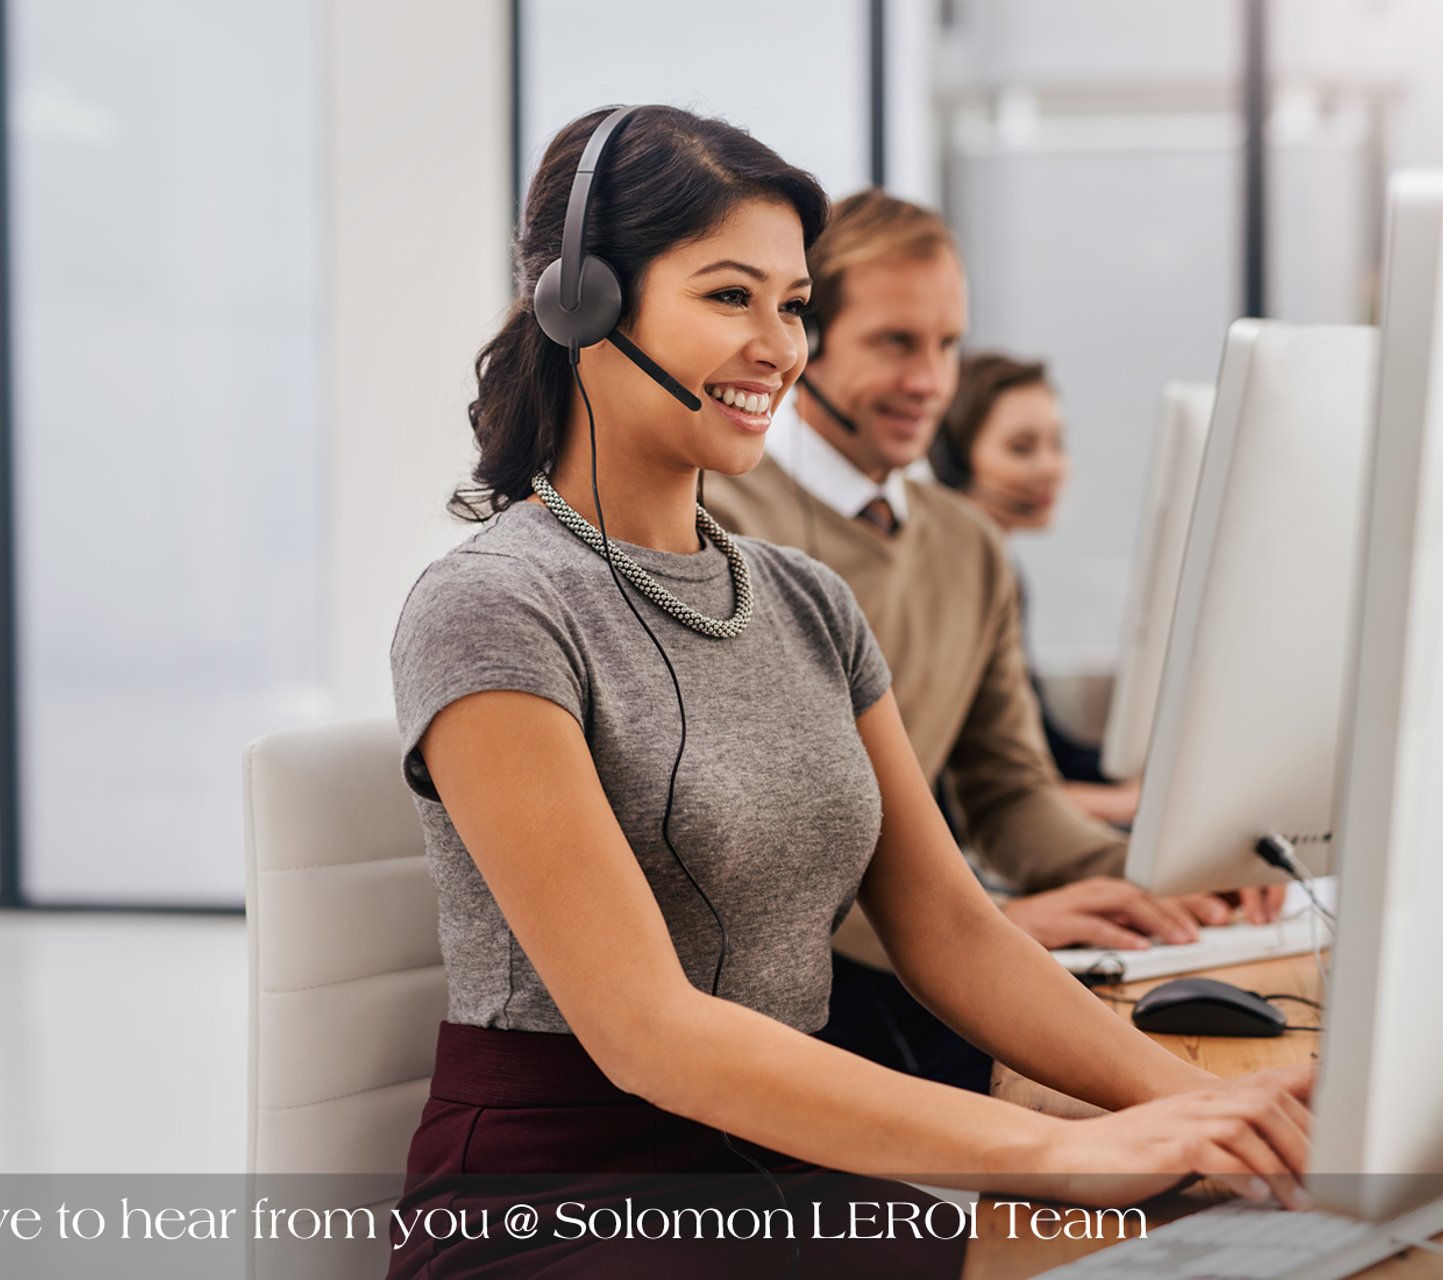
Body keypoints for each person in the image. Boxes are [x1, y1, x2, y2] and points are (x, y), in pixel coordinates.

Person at [387, 106, 1311, 1280]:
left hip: (776, 1157)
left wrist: (1203, 1105)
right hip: (562, 1197)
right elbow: (645, 1029)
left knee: (1217, 1228)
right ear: (585, 303)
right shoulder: (497, 606)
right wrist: (1051, 1148)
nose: (780, 345)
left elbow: (951, 926)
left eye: (795, 304)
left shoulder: (807, 599)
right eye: (731, 296)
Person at [705, 192, 1281, 1090]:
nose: (930, 382)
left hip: (927, 958)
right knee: (1146, 1126)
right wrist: (992, 927)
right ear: (807, 337)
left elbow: (1011, 797)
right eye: (896, 342)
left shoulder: (964, 543)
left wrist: (1162, 880)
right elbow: (751, 848)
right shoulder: (717, 520)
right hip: (797, 1002)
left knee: (1218, 1101)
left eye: (946, 345)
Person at [929, 350, 1140, 828]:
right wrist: (1126, 806)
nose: (1051, 467)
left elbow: (1046, 750)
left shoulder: (1002, 572)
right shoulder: (945, 583)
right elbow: (964, 784)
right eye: (1022, 448)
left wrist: (1139, 787)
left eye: (1057, 443)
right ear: (952, 461)